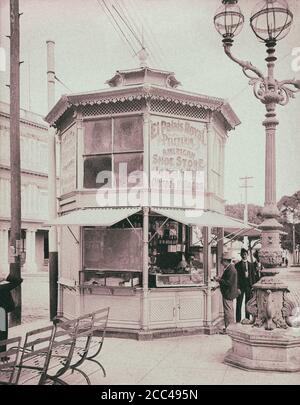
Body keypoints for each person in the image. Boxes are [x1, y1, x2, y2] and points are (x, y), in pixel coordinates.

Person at [214, 252, 240, 334]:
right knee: (229, 311)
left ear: (226, 261)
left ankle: (229, 329)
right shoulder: (231, 268)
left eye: (222, 261)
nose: (222, 263)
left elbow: (228, 283)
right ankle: (230, 328)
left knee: (228, 312)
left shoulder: (231, 269)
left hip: (228, 293)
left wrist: (219, 280)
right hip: (229, 293)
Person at [0, 273, 23, 360]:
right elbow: (18, 280)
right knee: (2, 334)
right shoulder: (3, 288)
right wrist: (4, 277)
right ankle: (2, 356)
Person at [235, 248, 256, 323]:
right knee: (239, 303)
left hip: (248, 286)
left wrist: (253, 287)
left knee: (248, 303)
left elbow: (253, 276)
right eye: (243, 254)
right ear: (241, 255)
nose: (244, 256)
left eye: (245, 254)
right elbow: (236, 278)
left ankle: (247, 318)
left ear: (247, 255)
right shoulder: (237, 265)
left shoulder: (251, 265)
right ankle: (238, 319)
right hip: (240, 287)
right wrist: (237, 288)